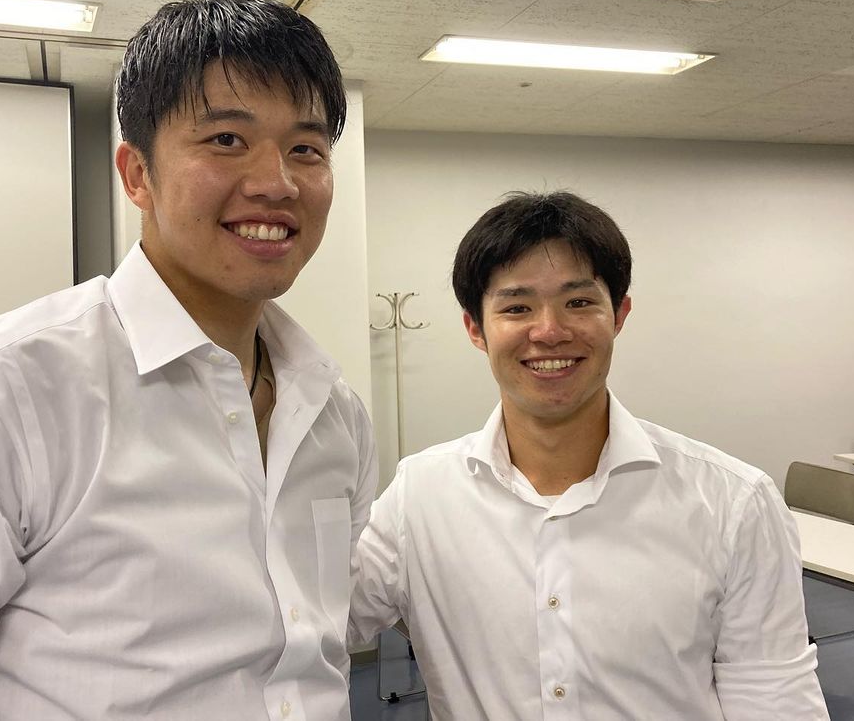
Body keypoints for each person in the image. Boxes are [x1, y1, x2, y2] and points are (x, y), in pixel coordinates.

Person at [0, 0, 377, 720]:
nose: (276, 183)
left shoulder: (334, 413)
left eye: (306, 150)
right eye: (227, 139)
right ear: (137, 175)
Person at [349, 191, 829, 720]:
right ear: (475, 329)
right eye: (517, 307)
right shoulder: (420, 496)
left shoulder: (733, 503)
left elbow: (776, 702)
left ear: (619, 315)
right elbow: (322, 620)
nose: (549, 331)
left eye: (578, 302)